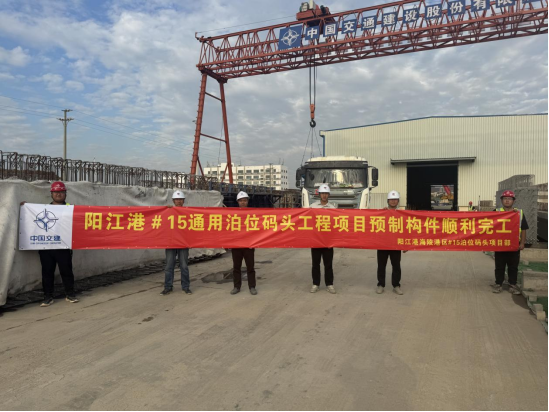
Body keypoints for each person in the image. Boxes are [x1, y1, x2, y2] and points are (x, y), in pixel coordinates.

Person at [20, 181, 79, 307]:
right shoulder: (44, 209)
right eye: (56, 192)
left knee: (66, 271)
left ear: (65, 194)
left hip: (63, 247)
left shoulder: (71, 208)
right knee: (47, 272)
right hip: (46, 247)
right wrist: (25, 208)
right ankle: (48, 297)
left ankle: (70, 294)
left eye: (61, 192)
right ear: (51, 194)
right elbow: (32, 218)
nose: (58, 194)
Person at [492, 190, 529, 295]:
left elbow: (524, 229)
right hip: (500, 244)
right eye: (505, 199)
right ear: (501, 200)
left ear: (513, 201)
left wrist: (522, 243)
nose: (507, 201)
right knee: (499, 266)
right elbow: (488, 225)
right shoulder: (496, 212)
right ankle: (498, 284)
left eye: (509, 199)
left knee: (513, 266)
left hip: (514, 245)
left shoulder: (519, 213)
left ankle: (512, 285)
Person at [161, 190, 192, 296]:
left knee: (184, 266)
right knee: (169, 266)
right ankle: (168, 287)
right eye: (176, 199)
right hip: (171, 243)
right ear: (173, 201)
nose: (178, 201)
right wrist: (166, 210)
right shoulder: (168, 211)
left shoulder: (188, 212)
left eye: (180, 199)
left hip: (183, 243)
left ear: (183, 201)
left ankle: (186, 287)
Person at [377, 190, 407, 296]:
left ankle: (396, 285)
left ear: (398, 201)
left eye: (395, 199)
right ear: (388, 201)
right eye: (391, 199)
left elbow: (405, 229)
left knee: (396, 266)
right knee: (381, 266)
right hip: (383, 244)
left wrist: (405, 244)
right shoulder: (382, 213)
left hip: (396, 244)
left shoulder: (402, 214)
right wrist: (381, 213)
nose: (393, 201)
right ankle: (381, 285)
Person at [310, 184, 337, 294]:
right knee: (315, 264)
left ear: (328, 195)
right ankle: (315, 284)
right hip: (316, 240)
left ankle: (329, 284)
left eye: (326, 193)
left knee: (328, 264)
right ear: (319, 194)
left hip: (328, 241)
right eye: (322, 193)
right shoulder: (312, 207)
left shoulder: (333, 208)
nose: (324, 195)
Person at [231, 191, 258, 296]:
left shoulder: (253, 214)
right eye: (241, 200)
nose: (243, 202)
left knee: (250, 267)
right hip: (236, 245)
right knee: (236, 267)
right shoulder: (232, 214)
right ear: (237, 202)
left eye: (245, 200)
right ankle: (236, 286)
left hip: (249, 245)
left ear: (247, 201)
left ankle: (252, 286)